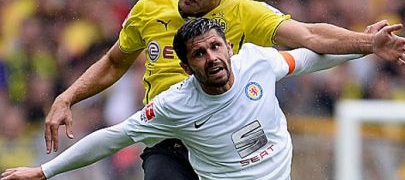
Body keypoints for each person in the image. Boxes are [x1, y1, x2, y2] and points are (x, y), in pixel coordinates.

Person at [43, 0, 405, 179]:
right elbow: (114, 62)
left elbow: (309, 37)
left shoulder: (245, 13)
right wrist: (67, 97)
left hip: (226, 144)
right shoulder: (148, 9)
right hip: (168, 137)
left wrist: (367, 42)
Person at [3, 18, 371, 180]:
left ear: (229, 47)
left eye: (215, 47)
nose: (211, 57)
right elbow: (115, 137)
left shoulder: (257, 62)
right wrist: (44, 171)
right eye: (199, 54)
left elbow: (310, 56)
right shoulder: (174, 104)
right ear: (185, 65)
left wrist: (367, 44)